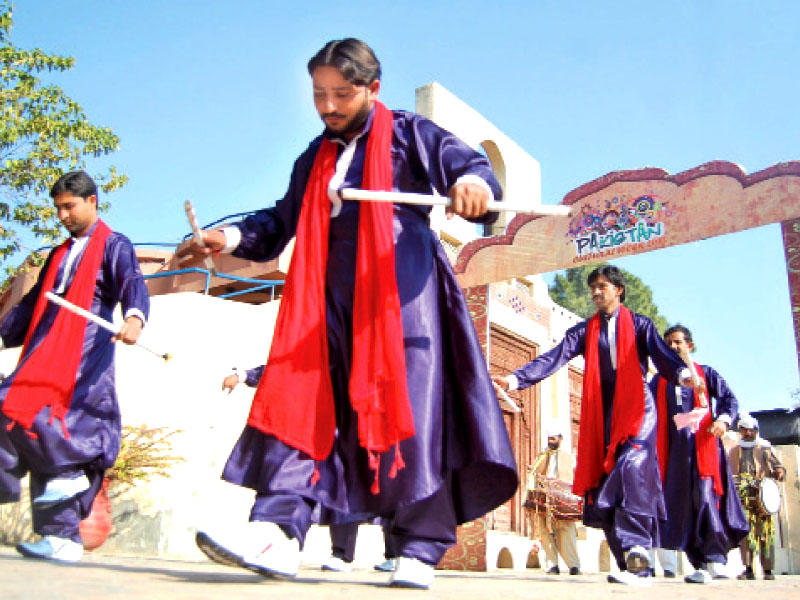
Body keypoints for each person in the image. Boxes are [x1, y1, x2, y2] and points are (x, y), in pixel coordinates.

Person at [181, 38, 517, 590]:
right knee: (299, 402)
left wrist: (473, 185)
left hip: (403, 302)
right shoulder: (313, 159)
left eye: (341, 93)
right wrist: (229, 236)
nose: (329, 106)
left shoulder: (409, 134)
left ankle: (418, 545)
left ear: (372, 89)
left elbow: (467, 165)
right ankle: (278, 533)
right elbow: (278, 223)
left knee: (412, 420)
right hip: (324, 304)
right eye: (319, 94)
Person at [494, 265, 696, 586]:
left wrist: (684, 375)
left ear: (619, 290)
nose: (596, 292)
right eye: (592, 288)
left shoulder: (641, 325)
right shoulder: (584, 331)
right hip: (601, 411)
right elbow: (555, 356)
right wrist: (516, 378)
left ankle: (637, 549)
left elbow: (660, 354)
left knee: (629, 469)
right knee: (604, 484)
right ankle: (630, 563)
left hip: (636, 410)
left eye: (602, 286)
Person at [0, 171, 150, 562]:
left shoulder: (114, 245)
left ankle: (70, 491)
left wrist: (134, 318)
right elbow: (33, 303)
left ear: (92, 201)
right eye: (58, 208)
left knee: (55, 423)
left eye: (70, 206)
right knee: (24, 421)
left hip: (85, 352)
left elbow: (132, 282)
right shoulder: (59, 254)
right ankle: (60, 535)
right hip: (43, 347)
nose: (63, 215)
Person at [651, 325, 749, 584]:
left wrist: (724, 421)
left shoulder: (706, 373)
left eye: (678, 343)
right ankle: (699, 564)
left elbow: (729, 400)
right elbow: (647, 411)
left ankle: (716, 558)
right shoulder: (659, 381)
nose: (673, 347)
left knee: (706, 499)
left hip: (704, 450)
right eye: (668, 343)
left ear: (689, 346)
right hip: (674, 455)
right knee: (682, 507)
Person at [729, 414, 786, 581]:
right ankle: (748, 569)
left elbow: (779, 467)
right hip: (743, 499)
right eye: (744, 430)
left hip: (762, 498)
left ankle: (767, 570)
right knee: (746, 535)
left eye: (750, 429)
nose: (747, 432)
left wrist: (779, 472)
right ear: (740, 431)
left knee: (765, 534)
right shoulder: (733, 451)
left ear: (756, 430)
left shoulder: (765, 449)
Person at [527, 429, 581, 576]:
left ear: (560, 439)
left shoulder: (568, 456)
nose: (551, 442)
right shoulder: (543, 455)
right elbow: (535, 474)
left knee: (566, 530)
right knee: (544, 530)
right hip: (544, 497)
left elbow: (574, 477)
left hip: (562, 499)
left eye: (553, 439)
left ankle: (574, 565)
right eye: (549, 439)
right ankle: (552, 565)